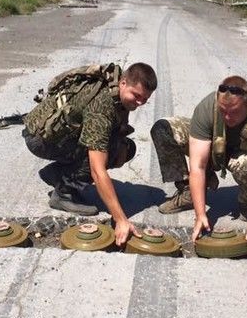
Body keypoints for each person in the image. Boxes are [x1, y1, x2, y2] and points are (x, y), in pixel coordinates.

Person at [22, 62, 157, 246]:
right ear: (123, 83)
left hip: (55, 131)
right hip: (41, 139)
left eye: (145, 99)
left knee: (125, 148)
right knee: (105, 154)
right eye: (136, 95)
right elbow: (97, 170)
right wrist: (121, 219)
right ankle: (64, 193)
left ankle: (58, 174)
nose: (140, 103)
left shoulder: (115, 85)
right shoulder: (102, 106)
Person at [151, 75, 247, 252]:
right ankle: (188, 193)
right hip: (215, 145)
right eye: (223, 111)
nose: (228, 117)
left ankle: (246, 202)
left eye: (234, 112)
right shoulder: (208, 106)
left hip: (245, 154)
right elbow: (198, 166)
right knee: (163, 129)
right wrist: (200, 215)